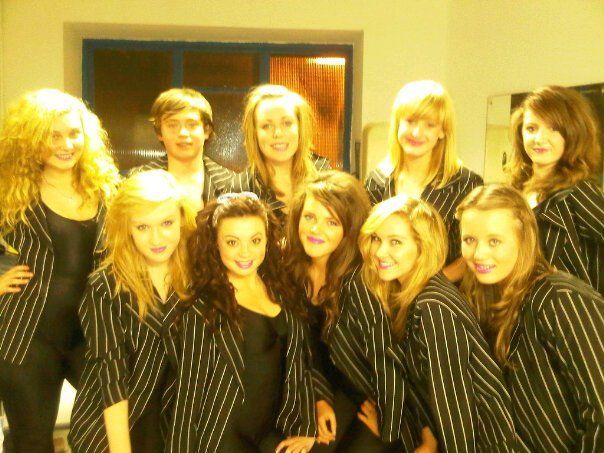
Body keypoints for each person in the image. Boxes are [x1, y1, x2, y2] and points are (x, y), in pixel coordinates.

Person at [0, 88, 120, 453]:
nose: (66, 145)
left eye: (73, 133)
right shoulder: (9, 188)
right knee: (31, 440)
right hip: (27, 336)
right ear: (31, 139)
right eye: (53, 136)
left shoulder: (105, 186)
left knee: (115, 426)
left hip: (92, 333)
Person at [358, 194, 517, 451]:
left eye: (395, 242)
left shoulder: (433, 307)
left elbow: (456, 411)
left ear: (423, 248)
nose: (379, 251)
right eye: (376, 238)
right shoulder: (412, 295)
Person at [458, 184, 604, 451]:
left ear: (524, 239)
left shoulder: (560, 299)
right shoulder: (481, 300)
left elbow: (600, 412)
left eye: (494, 241)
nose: (478, 254)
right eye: (469, 240)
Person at [167, 193, 316, 453]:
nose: (245, 252)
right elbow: (187, 399)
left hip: (271, 437)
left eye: (255, 240)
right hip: (223, 441)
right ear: (215, 243)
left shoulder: (280, 289)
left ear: (267, 240)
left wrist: (307, 425)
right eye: (232, 242)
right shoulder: (203, 308)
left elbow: (300, 363)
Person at [69, 170, 196, 453]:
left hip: (171, 424)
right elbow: (111, 379)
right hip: (111, 426)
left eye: (166, 223)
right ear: (127, 228)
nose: (156, 238)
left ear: (182, 219)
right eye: (142, 227)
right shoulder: (105, 288)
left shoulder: (197, 278)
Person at [285, 171, 411, 452]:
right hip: (332, 385)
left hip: (375, 395)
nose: (316, 229)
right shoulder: (291, 271)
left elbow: (387, 361)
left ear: (349, 228)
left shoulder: (360, 282)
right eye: (309, 217)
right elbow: (302, 347)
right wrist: (318, 399)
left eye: (332, 222)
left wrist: (390, 425)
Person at [364, 80, 482, 282]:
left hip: (441, 294)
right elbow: (368, 244)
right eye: (410, 121)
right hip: (384, 292)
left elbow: (475, 250)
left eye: (429, 125)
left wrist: (426, 287)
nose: (416, 133)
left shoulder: (466, 184)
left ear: (442, 131)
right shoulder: (377, 180)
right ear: (397, 124)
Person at [506, 85, 603, 294]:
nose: (540, 138)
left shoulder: (580, 193)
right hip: (517, 304)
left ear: (573, 133)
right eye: (531, 128)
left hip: (568, 309)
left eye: (553, 129)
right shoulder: (515, 191)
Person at [230, 84, 330, 223]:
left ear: (300, 128)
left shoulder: (325, 176)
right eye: (266, 126)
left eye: (287, 123)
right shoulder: (241, 190)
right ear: (254, 133)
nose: (277, 133)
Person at [142, 87, 234, 210]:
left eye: (192, 124)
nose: (183, 133)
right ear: (159, 133)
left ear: (206, 130)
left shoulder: (232, 184)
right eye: (172, 125)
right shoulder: (137, 182)